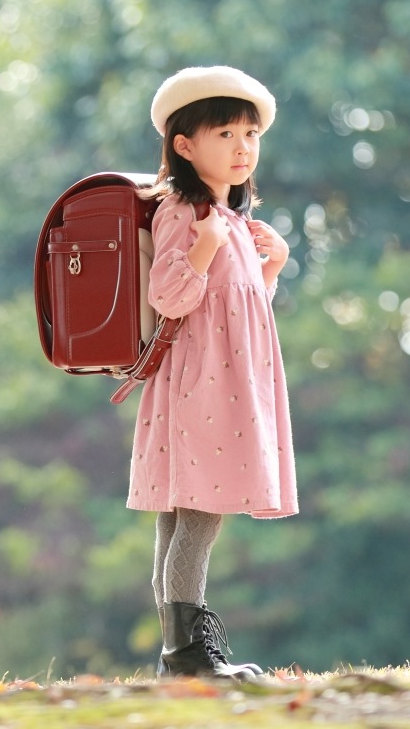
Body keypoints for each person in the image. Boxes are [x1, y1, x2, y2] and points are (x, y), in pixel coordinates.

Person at [129, 65, 298, 681]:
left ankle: (180, 653)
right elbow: (170, 297)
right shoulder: (184, 212)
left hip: (223, 381)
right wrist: (203, 246)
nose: (242, 148)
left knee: (183, 515)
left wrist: (272, 263)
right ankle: (187, 653)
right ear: (184, 145)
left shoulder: (231, 221)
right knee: (198, 514)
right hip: (200, 383)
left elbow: (240, 308)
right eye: (224, 134)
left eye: (250, 135)